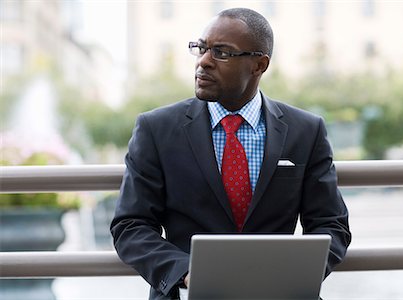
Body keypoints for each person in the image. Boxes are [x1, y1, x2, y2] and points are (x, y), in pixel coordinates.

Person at [111, 7, 351, 300]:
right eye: (201, 48)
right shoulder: (156, 129)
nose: (203, 61)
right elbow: (130, 225)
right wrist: (186, 272)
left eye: (222, 53)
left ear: (259, 65)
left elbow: (331, 224)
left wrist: (293, 274)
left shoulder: (306, 130)